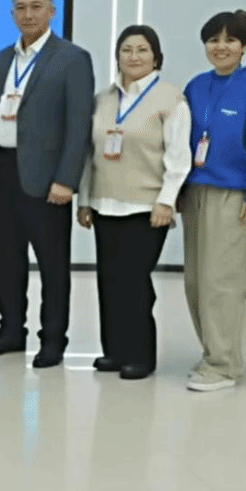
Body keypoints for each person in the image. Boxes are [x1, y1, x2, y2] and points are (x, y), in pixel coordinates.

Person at [0, 0, 93, 368]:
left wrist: (66, 179)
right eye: (21, 7)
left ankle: (53, 339)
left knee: (52, 265)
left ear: (51, 11)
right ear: (12, 14)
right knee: (6, 260)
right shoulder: (0, 60)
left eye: (36, 6)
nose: (28, 14)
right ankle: (11, 330)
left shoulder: (72, 58)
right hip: (3, 172)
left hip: (47, 179)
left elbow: (78, 124)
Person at [77, 25, 191, 380]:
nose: (134, 56)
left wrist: (166, 202)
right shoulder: (103, 99)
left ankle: (140, 355)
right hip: (104, 204)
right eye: (127, 49)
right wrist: (85, 200)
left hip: (146, 208)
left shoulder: (171, 99)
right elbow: (89, 154)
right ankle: (114, 351)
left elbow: (178, 157)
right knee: (109, 281)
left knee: (134, 282)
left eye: (142, 50)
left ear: (156, 57)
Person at [180, 10, 246, 392]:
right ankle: (212, 353)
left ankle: (224, 366)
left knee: (222, 282)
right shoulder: (196, 86)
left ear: (243, 46)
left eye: (230, 40)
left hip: (237, 195)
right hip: (196, 193)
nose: (220, 47)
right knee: (196, 282)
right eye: (213, 40)